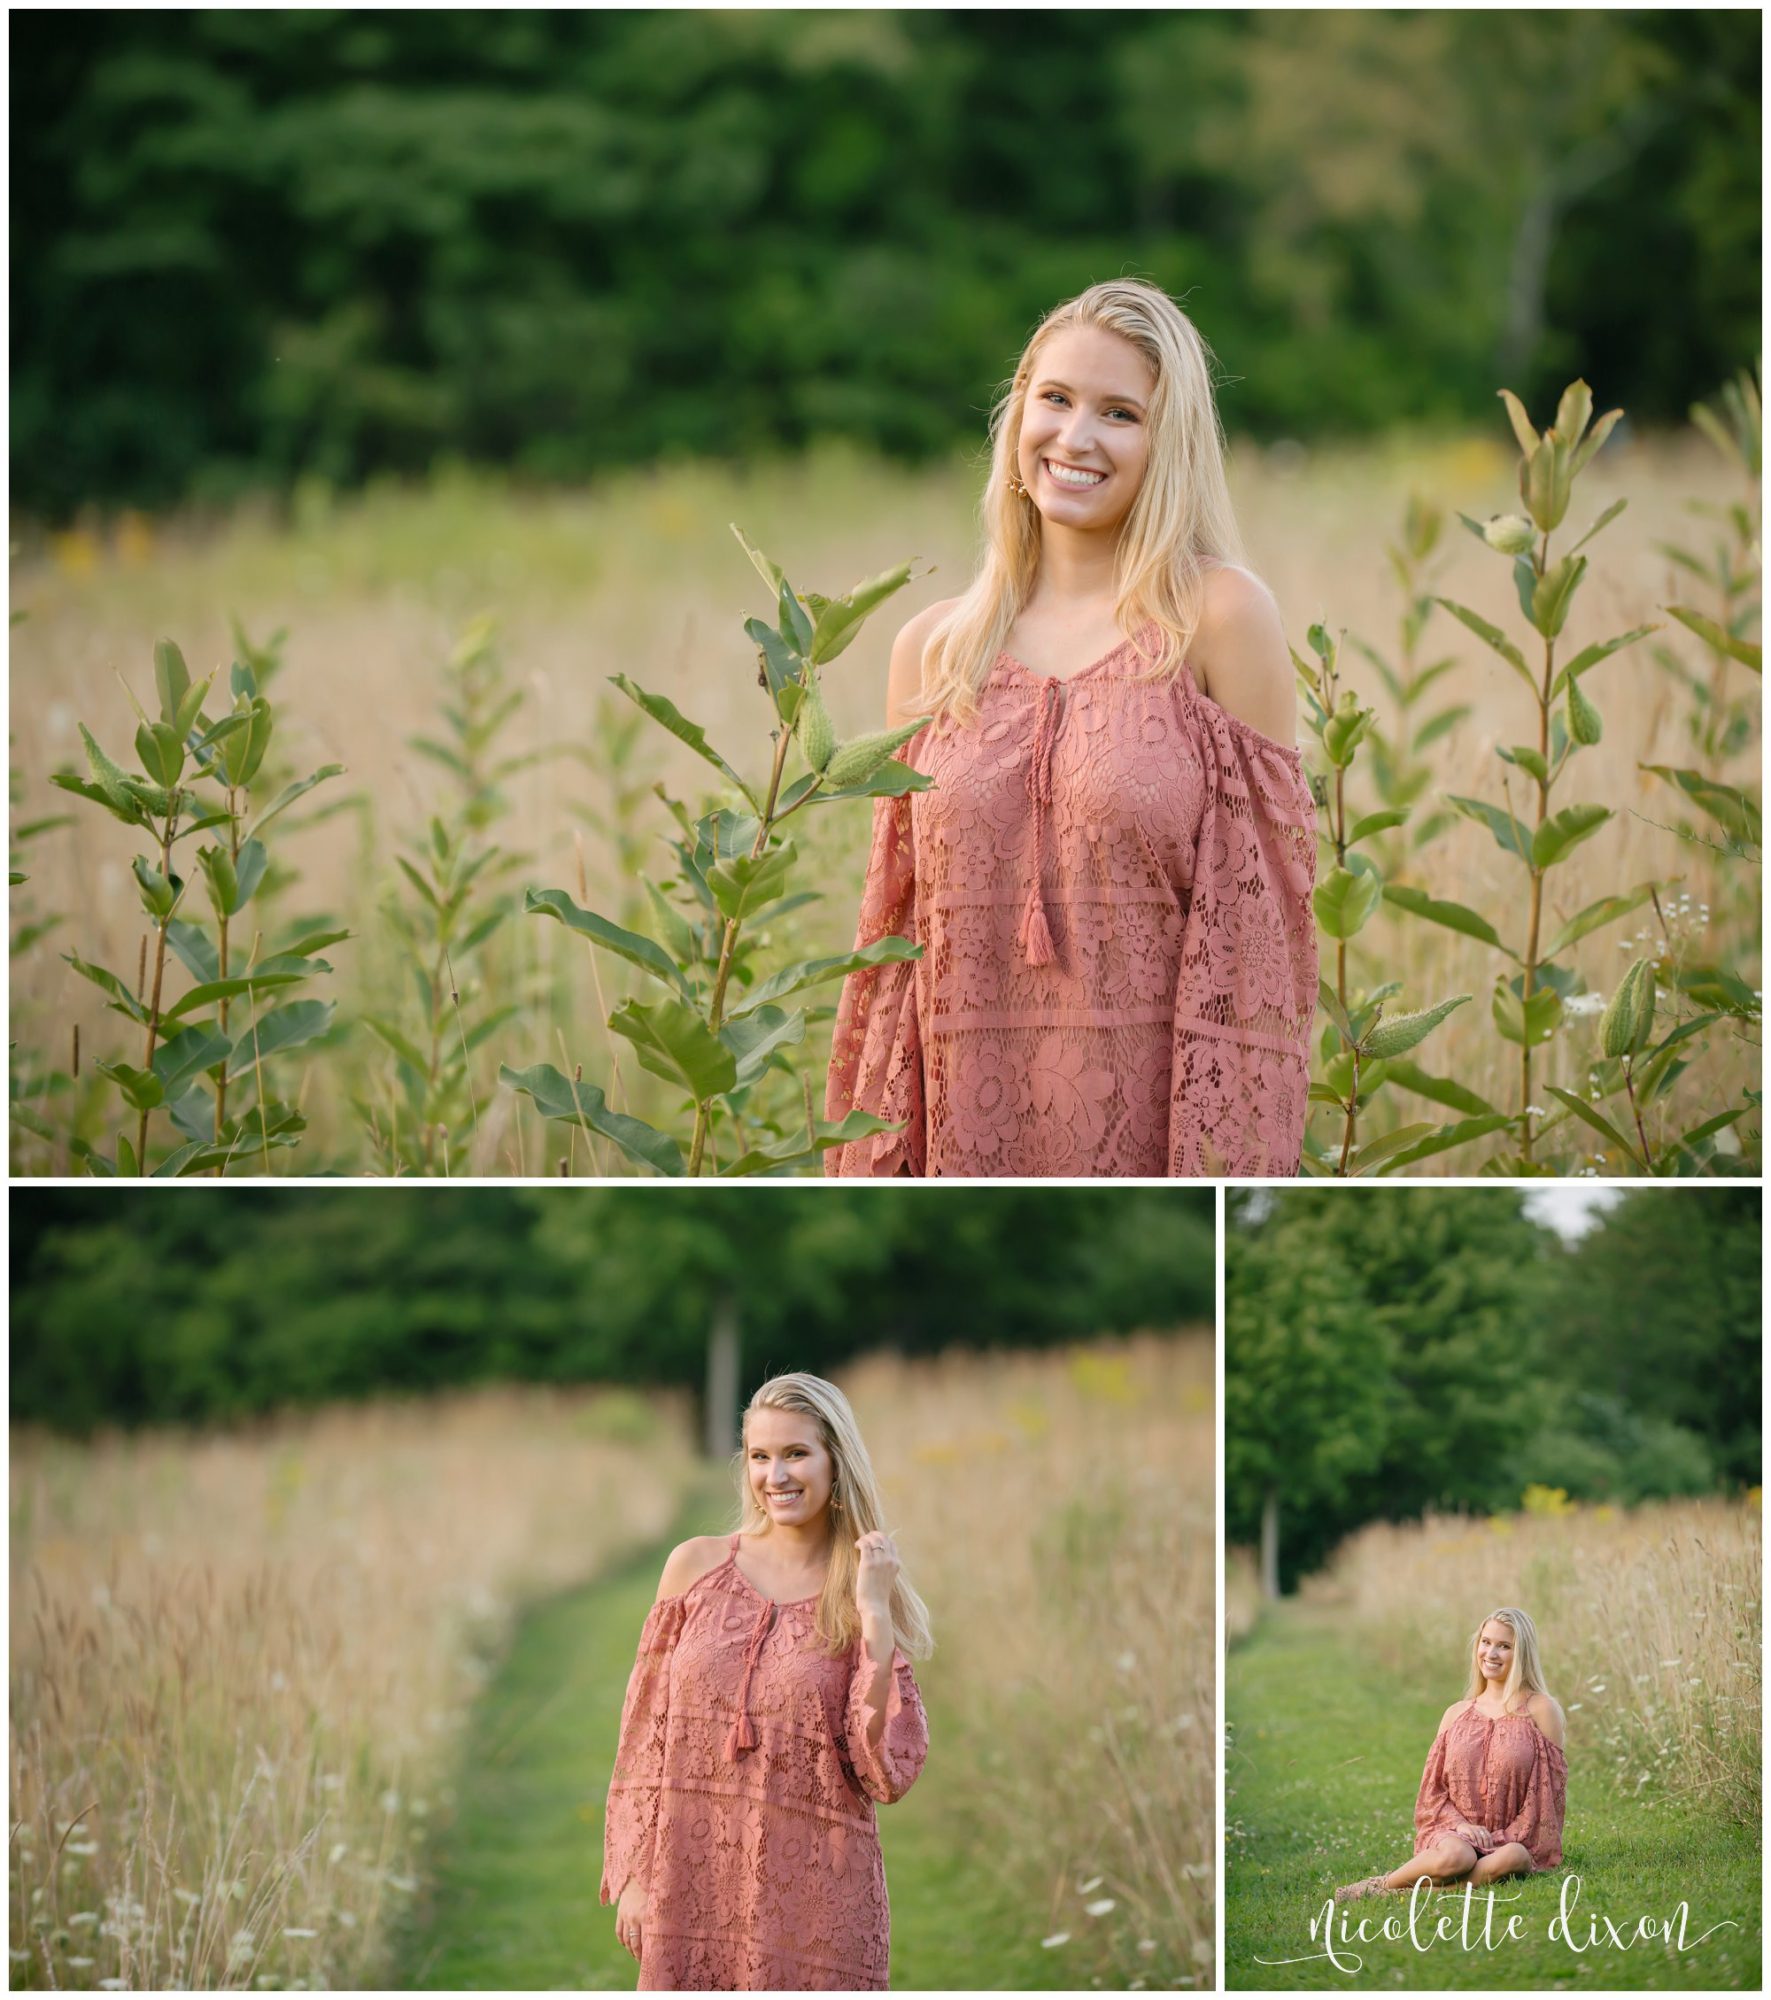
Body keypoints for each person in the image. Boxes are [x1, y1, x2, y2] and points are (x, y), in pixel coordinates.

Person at [823, 277, 1318, 1179]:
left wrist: (1222, 1170)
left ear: (1166, 444)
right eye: (1053, 399)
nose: (1075, 438)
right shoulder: (931, 650)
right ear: (1016, 417)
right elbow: (895, 955)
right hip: (962, 1143)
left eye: (1119, 413)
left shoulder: (1219, 618)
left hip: (1149, 1143)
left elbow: (1259, 947)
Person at [601, 1372, 931, 1989]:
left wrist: (876, 1617)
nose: (775, 1477)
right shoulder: (693, 1567)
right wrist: (638, 1876)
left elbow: (884, 1772)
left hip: (818, 1906)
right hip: (690, 1884)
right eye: (760, 1457)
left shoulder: (861, 1592)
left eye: (796, 1454)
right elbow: (646, 1733)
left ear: (837, 1462)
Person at [1335, 1607, 1568, 1903]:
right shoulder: (1456, 1714)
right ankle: (1380, 1885)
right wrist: (1460, 1826)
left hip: (1514, 1839)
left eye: (1504, 1646)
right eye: (1486, 1642)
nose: (1491, 1653)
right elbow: (1432, 1792)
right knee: (1457, 1857)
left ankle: (1403, 1894)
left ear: (1522, 1653)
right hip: (1454, 1832)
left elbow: (1548, 1796)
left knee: (1514, 1858)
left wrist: (1508, 1836)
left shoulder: (1541, 1710)